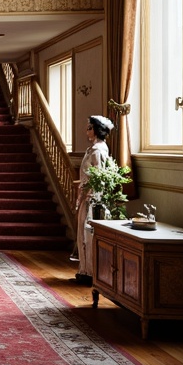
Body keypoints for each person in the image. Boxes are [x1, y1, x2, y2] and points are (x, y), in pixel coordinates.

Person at [72, 114, 115, 283]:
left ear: (96, 130)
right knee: (82, 234)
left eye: (89, 128)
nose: (86, 131)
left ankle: (89, 272)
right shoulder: (93, 149)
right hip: (86, 195)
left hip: (92, 197)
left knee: (88, 234)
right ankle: (84, 269)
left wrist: (88, 195)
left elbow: (99, 176)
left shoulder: (98, 151)